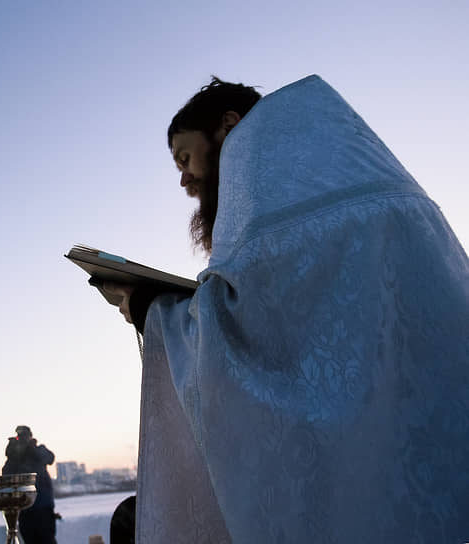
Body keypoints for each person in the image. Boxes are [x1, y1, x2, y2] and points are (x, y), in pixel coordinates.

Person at [103, 75, 469, 542]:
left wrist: (150, 306)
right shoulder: (358, 178)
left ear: (229, 127)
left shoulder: (268, 198)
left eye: (185, 157)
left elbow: (250, 343)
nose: (183, 177)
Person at [1, 425, 57, 544]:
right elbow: (6, 475)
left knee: (47, 540)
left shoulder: (38, 450)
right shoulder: (15, 458)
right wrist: (12, 455)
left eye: (25, 436)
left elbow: (50, 458)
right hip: (25, 508)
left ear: (31, 437)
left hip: (43, 507)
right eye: (19, 437)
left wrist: (32, 449)